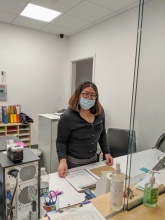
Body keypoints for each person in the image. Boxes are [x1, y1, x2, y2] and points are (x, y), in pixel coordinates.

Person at [56, 81, 113, 177]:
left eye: (92, 95)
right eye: (85, 94)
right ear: (78, 95)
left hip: (94, 161)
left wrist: (106, 152)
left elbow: (102, 133)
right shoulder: (68, 116)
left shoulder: (100, 112)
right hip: (74, 163)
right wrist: (62, 161)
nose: (89, 98)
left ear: (96, 97)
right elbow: (61, 141)